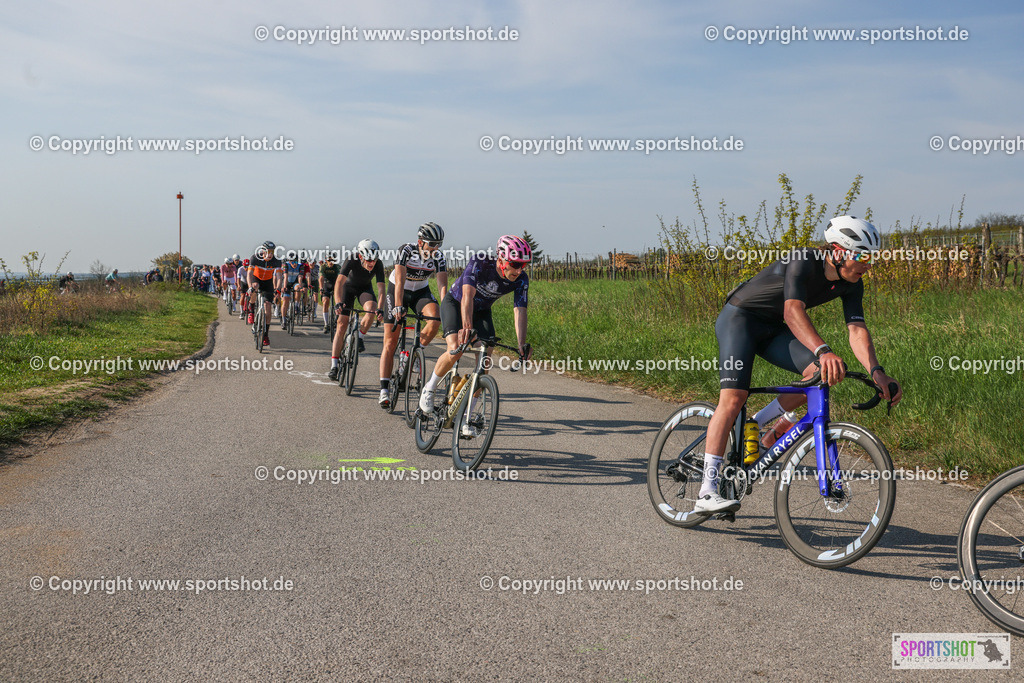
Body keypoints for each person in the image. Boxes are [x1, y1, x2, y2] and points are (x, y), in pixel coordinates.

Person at [694, 216, 904, 514]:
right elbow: (793, 311)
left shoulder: (852, 283)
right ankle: (706, 491)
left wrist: (877, 372)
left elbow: (856, 331)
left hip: (771, 328)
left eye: (872, 257)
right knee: (733, 398)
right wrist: (823, 349)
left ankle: (757, 422)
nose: (868, 264)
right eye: (862, 256)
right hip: (739, 319)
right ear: (838, 251)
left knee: (820, 376)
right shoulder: (804, 259)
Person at [418, 235, 531, 435]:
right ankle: (430, 388)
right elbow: (467, 296)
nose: (519, 269)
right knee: (456, 348)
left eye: (524, 265)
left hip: (482, 311)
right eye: (515, 264)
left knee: (485, 359)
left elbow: (520, 310)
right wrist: (467, 328)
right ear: (501, 259)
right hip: (455, 302)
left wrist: (522, 345)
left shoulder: (521, 279)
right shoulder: (480, 262)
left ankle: (467, 419)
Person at [379, 223, 448, 409]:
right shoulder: (406, 250)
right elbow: (400, 280)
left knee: (436, 318)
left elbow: (442, 288)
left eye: (439, 244)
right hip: (398, 290)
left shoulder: (439, 257)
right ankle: (384, 389)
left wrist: (447, 309)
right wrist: (399, 306)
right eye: (432, 244)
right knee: (390, 342)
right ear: (420, 242)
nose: (435, 249)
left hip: (420, 292)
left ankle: (414, 353)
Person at [328, 240, 386, 384]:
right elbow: (339, 283)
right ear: (361, 257)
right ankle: (334, 365)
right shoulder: (352, 259)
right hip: (347, 289)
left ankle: (359, 336)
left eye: (374, 260)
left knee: (371, 310)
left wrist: (380, 308)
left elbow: (381, 289)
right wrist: (337, 303)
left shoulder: (378, 264)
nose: (371, 263)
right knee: (342, 324)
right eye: (368, 260)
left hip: (364, 290)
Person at [248, 241, 283, 347]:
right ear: (263, 251)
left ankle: (266, 335)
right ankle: (251, 309)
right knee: (255, 287)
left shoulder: (276, 261)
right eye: (268, 251)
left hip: (268, 283)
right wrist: (250, 286)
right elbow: (249, 273)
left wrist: (278, 289)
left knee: (268, 309)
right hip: (256, 279)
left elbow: (279, 277)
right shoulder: (255, 258)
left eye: (272, 251)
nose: (270, 254)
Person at [319, 256, 341, 333]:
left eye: (333, 260)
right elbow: (321, 278)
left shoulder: (337, 267)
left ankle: (337, 317)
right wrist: (321, 288)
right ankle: (326, 324)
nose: (331, 262)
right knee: (325, 302)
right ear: (326, 261)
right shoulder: (323, 267)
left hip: (336, 284)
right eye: (329, 260)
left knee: (339, 302)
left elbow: (340, 277)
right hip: (326, 284)